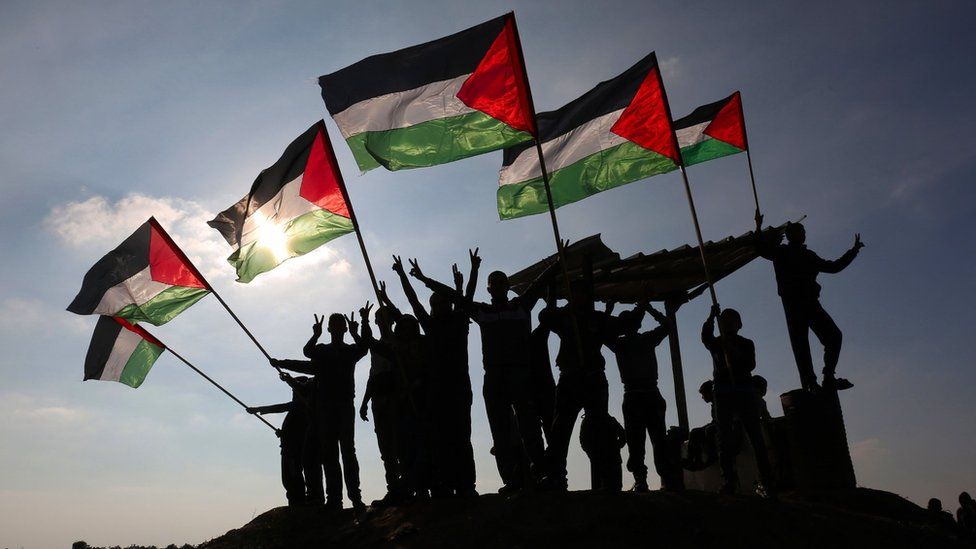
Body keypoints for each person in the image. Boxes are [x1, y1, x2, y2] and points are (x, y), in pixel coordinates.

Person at [410, 253, 558, 493]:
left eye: (502, 282)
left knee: (529, 428)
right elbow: (454, 295)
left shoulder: (521, 306)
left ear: (508, 286)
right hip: (494, 377)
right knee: (500, 432)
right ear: (489, 289)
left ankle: (540, 475)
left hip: (519, 374)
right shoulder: (482, 312)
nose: (498, 286)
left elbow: (537, 286)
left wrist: (555, 266)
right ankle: (511, 480)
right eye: (494, 283)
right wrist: (425, 279)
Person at [389, 253, 478, 497]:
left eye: (442, 303)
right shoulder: (430, 326)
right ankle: (446, 484)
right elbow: (413, 301)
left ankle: (466, 486)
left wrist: (473, 272)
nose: (438, 307)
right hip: (436, 391)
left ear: (449, 305)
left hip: (459, 388)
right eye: (435, 305)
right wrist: (403, 276)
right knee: (440, 439)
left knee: (461, 437)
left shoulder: (459, 323)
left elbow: (466, 297)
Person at [272, 311, 368, 515]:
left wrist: (355, 332)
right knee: (330, 453)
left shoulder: (350, 351)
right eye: (334, 323)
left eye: (339, 323)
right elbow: (307, 356)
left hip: (343, 405)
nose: (337, 326)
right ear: (330, 329)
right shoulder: (323, 351)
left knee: (348, 451)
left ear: (343, 328)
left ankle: (355, 497)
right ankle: (335, 499)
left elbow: (363, 349)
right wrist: (313, 336)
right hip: (326, 407)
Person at [756, 220, 864, 391]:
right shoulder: (781, 252)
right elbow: (761, 249)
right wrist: (758, 227)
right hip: (793, 304)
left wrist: (853, 251)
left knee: (834, 336)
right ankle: (810, 383)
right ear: (792, 235)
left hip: (810, 302)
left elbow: (834, 267)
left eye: (803, 231)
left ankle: (828, 376)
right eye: (800, 231)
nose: (803, 234)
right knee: (801, 346)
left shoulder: (808, 256)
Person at [538, 261, 619, 492]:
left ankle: (607, 480)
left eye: (582, 293)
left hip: (593, 378)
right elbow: (545, 316)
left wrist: (643, 304)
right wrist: (562, 307)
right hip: (570, 378)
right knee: (560, 429)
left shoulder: (597, 318)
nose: (579, 297)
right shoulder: (565, 317)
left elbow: (624, 325)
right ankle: (556, 477)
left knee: (600, 429)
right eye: (574, 293)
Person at [606, 302, 679, 492]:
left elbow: (604, 332)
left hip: (637, 396)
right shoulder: (644, 339)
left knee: (640, 442)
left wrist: (608, 311)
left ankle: (643, 479)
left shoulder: (620, 343)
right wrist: (648, 308)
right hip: (645, 395)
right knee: (654, 440)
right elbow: (668, 325)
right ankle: (654, 478)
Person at [702, 306, 775, 497]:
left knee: (756, 437)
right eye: (724, 320)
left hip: (743, 391)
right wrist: (710, 317)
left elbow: (750, 364)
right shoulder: (716, 343)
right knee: (723, 438)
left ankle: (767, 482)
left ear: (739, 324)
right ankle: (728, 481)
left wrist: (732, 349)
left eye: (731, 320)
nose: (727, 324)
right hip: (723, 393)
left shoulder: (746, 343)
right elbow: (705, 337)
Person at [248, 373, 322, 506]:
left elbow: (281, 407)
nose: (294, 392)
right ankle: (299, 500)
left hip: (293, 451)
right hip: (290, 447)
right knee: (291, 477)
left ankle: (298, 501)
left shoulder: (302, 405)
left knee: (292, 477)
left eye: (295, 389)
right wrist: (283, 434)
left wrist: (258, 409)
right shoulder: (303, 408)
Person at [358, 305, 402, 505]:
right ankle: (393, 488)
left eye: (383, 317)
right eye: (378, 318)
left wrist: (386, 300)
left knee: (399, 443)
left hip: (395, 395)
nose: (380, 321)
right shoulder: (376, 345)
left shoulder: (398, 341)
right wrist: (365, 401)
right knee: (386, 447)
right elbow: (372, 374)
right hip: (377, 397)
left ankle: (408, 487)